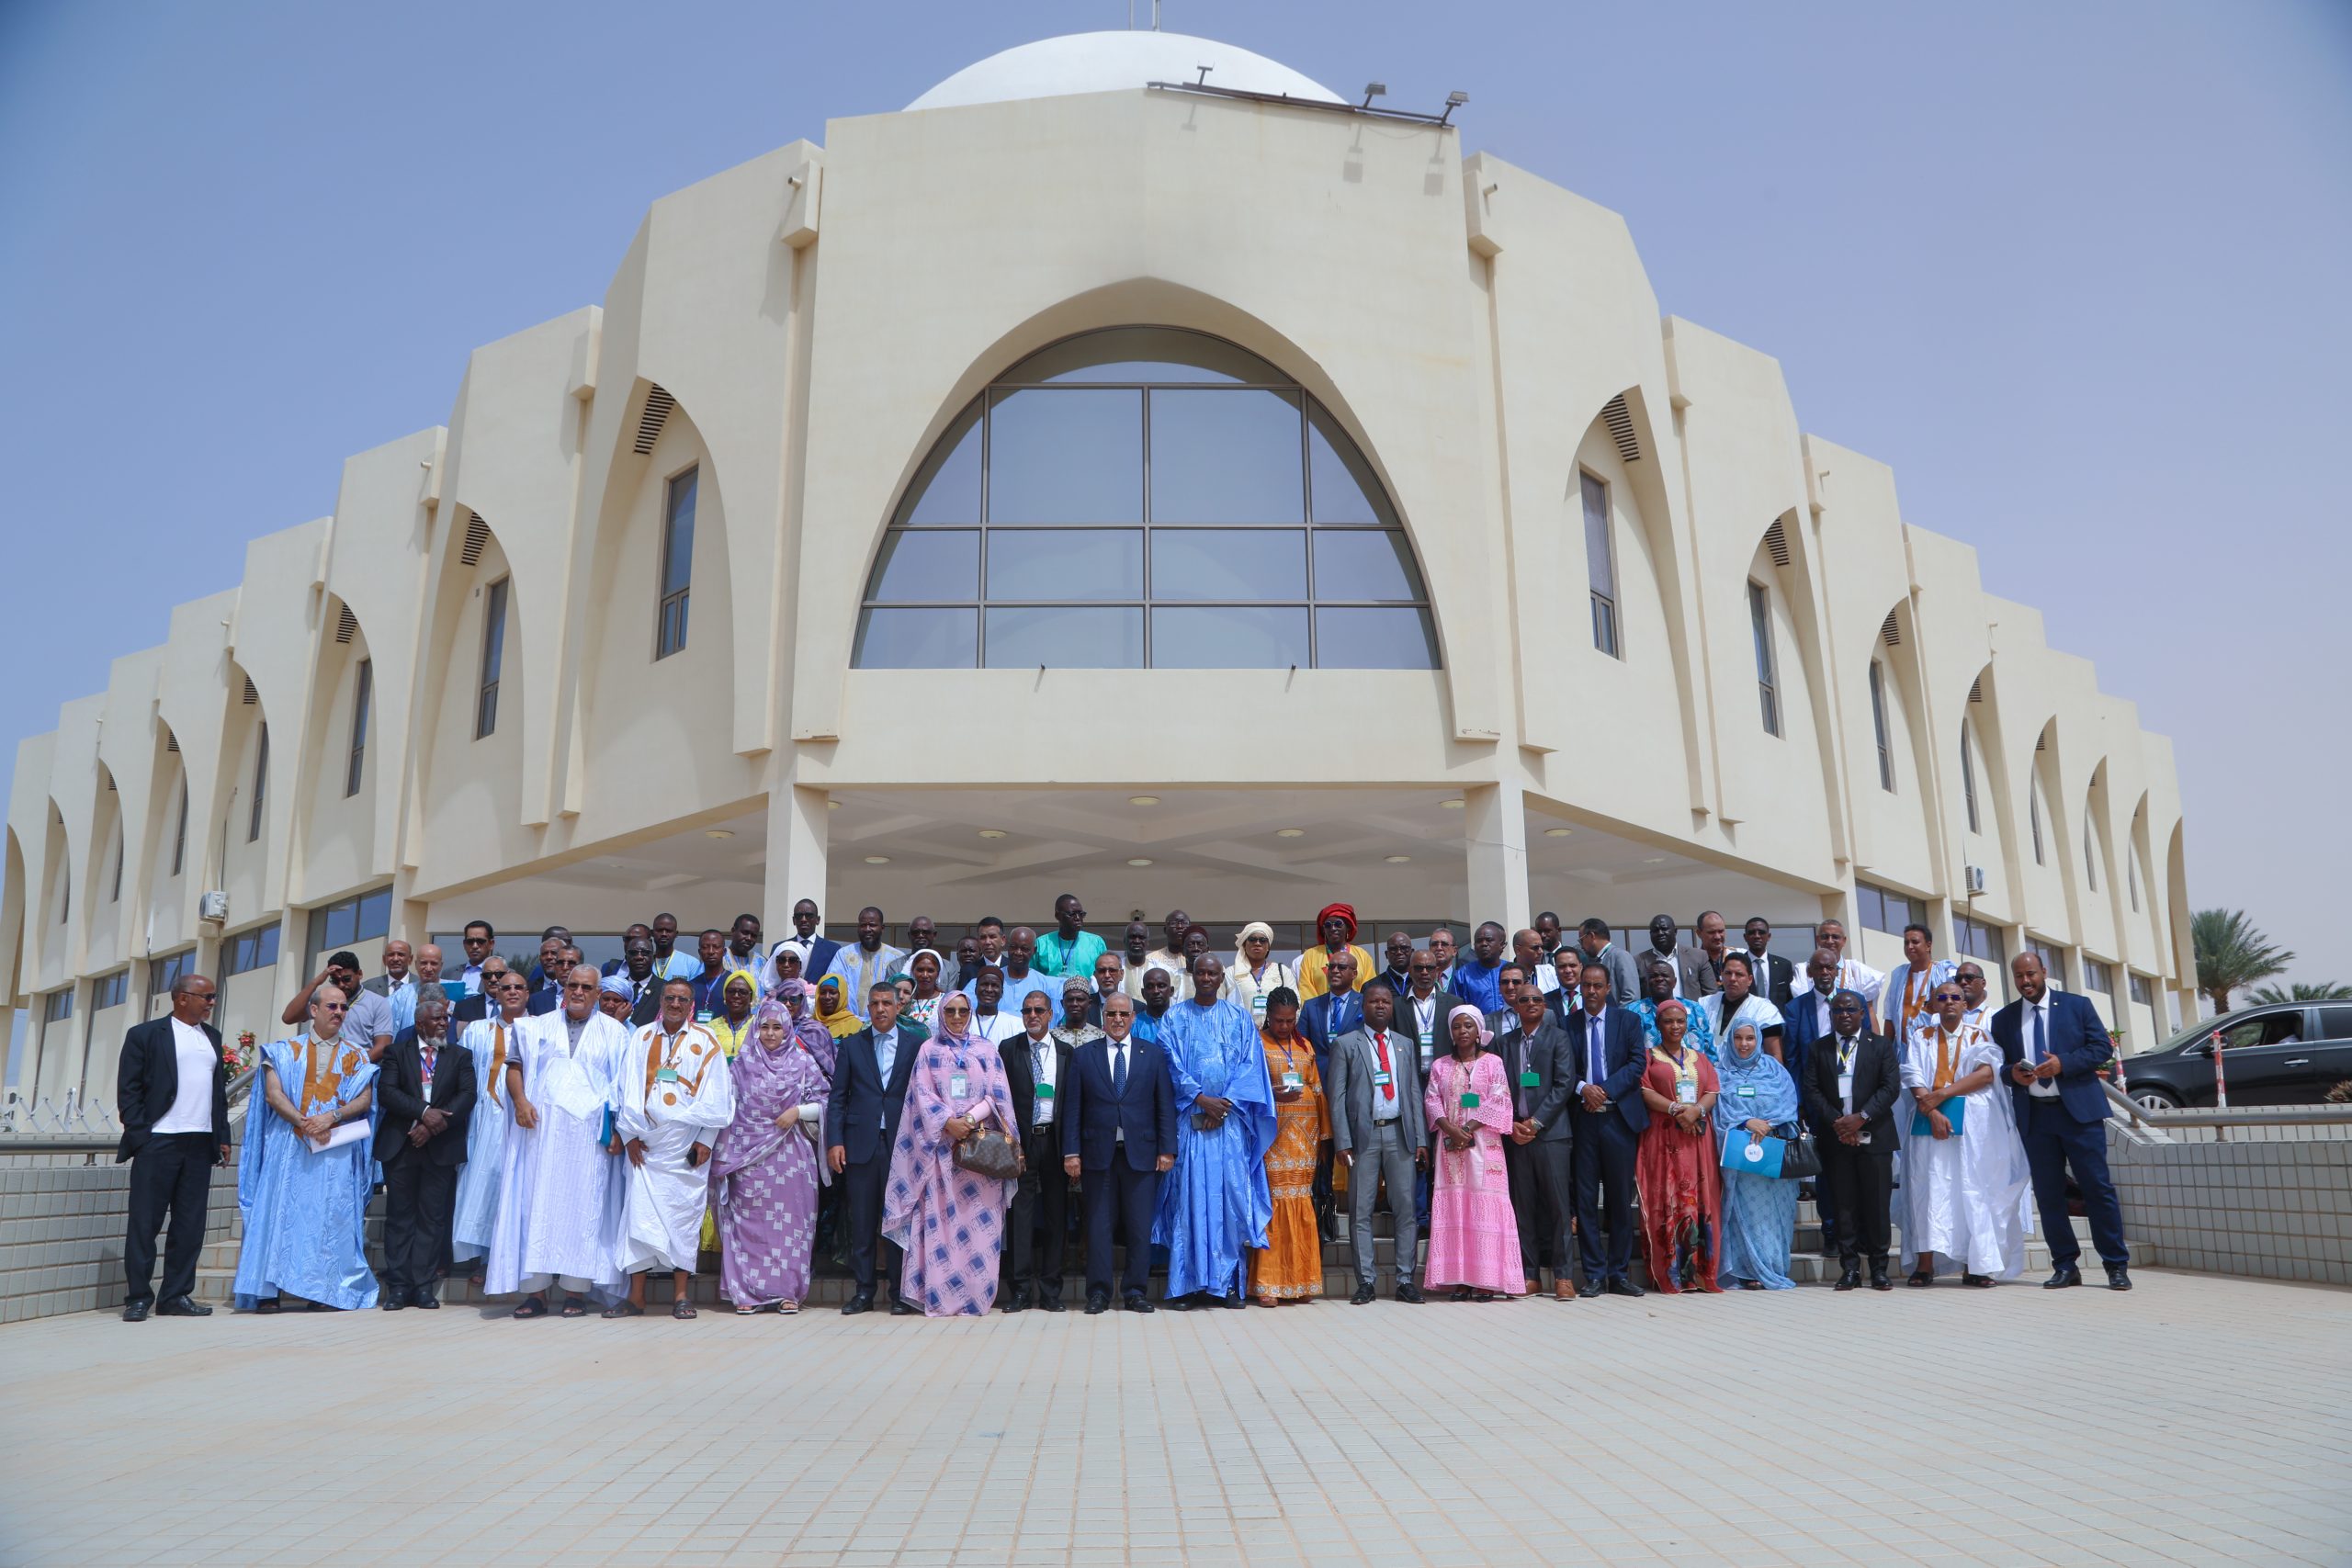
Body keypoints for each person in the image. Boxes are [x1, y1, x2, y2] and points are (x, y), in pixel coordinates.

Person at [486, 969, 630, 1319]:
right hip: (541, 1133)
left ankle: (575, 1293)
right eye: (572, 986)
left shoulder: (615, 1032)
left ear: (598, 993)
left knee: (584, 1207)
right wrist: (520, 1102)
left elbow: (621, 1088)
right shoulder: (535, 1025)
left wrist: (616, 1132)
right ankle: (534, 1293)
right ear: (563, 989)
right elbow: (514, 1067)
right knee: (536, 1204)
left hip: (589, 1138)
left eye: (586, 987)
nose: (578, 992)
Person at [233, 985, 379, 1312]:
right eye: (332, 1006)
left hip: (335, 1148)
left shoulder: (357, 1055)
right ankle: (268, 1291)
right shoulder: (283, 1050)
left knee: (330, 1217)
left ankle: (324, 1289)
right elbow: (274, 1094)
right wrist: (303, 1122)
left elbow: (366, 1098)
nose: (339, 1013)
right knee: (278, 1212)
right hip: (289, 1146)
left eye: (343, 1008)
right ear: (313, 1010)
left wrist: (331, 1117)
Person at [1991, 953, 2130, 1290]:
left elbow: (2101, 1048)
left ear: (2045, 973)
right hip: (2036, 1117)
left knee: (2097, 1189)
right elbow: (2000, 1066)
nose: (2026, 981)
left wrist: (2063, 1064)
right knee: (2050, 1194)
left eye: (2031, 974)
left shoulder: (2076, 1006)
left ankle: (2115, 1265)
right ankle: (2065, 1265)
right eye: (2020, 976)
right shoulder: (2004, 1019)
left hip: (2079, 1115)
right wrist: (2014, 1075)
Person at [881, 991, 1019, 1316]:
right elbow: (921, 1094)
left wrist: (969, 1120)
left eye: (963, 1011)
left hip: (980, 1156)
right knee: (940, 1226)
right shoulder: (929, 1050)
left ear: (970, 1013)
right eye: (951, 1011)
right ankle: (939, 1296)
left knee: (978, 1227)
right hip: (939, 1154)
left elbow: (998, 1095)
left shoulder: (987, 1050)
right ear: (942, 1014)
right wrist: (948, 1122)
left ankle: (975, 1296)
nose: (957, 1016)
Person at [1155, 955, 1278, 1308]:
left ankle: (1228, 1285)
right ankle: (1187, 1285)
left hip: (1229, 1127)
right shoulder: (1174, 1018)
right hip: (1190, 1125)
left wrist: (1222, 1105)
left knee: (1230, 1202)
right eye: (1200, 972)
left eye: (1212, 972)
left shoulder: (1239, 1018)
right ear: (1192, 977)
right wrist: (1200, 1098)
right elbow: (1170, 1065)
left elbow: (1250, 1067)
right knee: (1189, 1201)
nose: (1206, 977)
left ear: (1221, 977)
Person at [612, 980, 734, 1319]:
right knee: (638, 1219)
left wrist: (705, 1141)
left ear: (691, 1004)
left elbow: (718, 1096)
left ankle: (681, 1296)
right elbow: (626, 1088)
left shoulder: (705, 1040)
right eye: (670, 998)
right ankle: (636, 1298)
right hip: (645, 1148)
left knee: (683, 1220)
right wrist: (630, 1135)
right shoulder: (641, 1037)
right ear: (660, 1002)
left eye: (682, 999)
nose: (675, 1004)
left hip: (685, 1149)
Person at [1900, 981, 2030, 1286]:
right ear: (1933, 1004)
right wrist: (1932, 1110)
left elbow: (1986, 1074)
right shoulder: (1921, 1036)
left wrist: (1940, 1096)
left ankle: (1976, 1265)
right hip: (1927, 1123)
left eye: (1955, 997)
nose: (1949, 1002)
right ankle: (1924, 1265)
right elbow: (1912, 1074)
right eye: (1941, 998)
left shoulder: (1978, 1035)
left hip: (1972, 1127)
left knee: (1972, 1190)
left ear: (1964, 1004)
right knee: (1927, 1190)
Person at [712, 989, 833, 1315]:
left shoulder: (802, 1060)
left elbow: (824, 1100)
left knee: (791, 1227)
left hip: (791, 1158)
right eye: (764, 1027)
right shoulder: (741, 1064)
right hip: (746, 1158)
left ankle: (787, 1293)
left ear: (787, 1029)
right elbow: (726, 1107)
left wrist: (798, 1112)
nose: (770, 1034)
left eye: (777, 1027)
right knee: (747, 1226)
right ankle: (747, 1294)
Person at [115, 972, 228, 1322]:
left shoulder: (211, 1036)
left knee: (190, 1225)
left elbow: (218, 1095)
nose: (211, 1003)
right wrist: (141, 1134)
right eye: (205, 997)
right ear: (182, 998)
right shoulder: (145, 1035)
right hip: (159, 1140)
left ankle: (175, 1295)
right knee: (145, 1223)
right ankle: (138, 1298)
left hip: (199, 1142)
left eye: (212, 997)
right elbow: (128, 1090)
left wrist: (221, 1136)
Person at [1061, 993, 1176, 1313]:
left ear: (1133, 1018)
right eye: (1111, 1013)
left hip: (1142, 1155)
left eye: (1123, 1014)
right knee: (1098, 1226)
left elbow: (1164, 1105)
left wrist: (1168, 1149)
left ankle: (1135, 1291)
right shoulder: (1084, 1055)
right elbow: (1073, 1109)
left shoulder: (1151, 1055)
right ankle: (1098, 1293)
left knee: (1139, 1226)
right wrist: (1072, 1152)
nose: (1117, 1019)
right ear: (1103, 1016)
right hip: (1098, 1155)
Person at [825, 981, 924, 1314]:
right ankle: (864, 1292)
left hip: (902, 1144)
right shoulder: (853, 1045)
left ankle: (899, 1293)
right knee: (863, 1222)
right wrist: (835, 1142)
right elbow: (838, 1098)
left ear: (899, 1007)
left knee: (897, 1220)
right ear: (867, 1009)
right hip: (860, 1144)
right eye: (874, 1004)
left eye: (886, 1003)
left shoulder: (916, 1045)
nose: (880, 1009)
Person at [1328, 980, 1428, 1303]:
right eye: (1373, 1001)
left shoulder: (1404, 1044)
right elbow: (1337, 1096)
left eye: (1385, 1001)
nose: (1380, 1006)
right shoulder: (1346, 1044)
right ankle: (1366, 1281)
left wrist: (1421, 1139)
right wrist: (1342, 1141)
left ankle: (1404, 1281)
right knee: (1360, 1211)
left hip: (1400, 1134)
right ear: (1363, 1006)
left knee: (1406, 1210)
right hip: (1363, 1138)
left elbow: (1413, 1092)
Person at [374, 992, 474, 1310]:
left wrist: (431, 1125)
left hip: (440, 1146)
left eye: (446, 1018)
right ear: (420, 1024)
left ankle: (423, 1286)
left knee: (433, 1218)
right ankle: (399, 1287)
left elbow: (467, 1096)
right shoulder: (396, 1053)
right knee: (400, 1217)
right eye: (437, 1018)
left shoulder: (460, 1055)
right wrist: (422, 1112)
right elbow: (387, 1092)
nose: (445, 1023)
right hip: (401, 1144)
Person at [1799, 988, 1900, 1292]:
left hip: (1876, 1137)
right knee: (1844, 1206)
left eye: (1850, 1009)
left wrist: (1861, 1117)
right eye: (1838, 1011)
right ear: (1831, 1016)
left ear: (1861, 1014)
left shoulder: (1880, 1046)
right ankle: (1851, 1269)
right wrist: (1839, 1123)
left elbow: (1890, 1088)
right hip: (1836, 1139)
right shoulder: (1819, 1048)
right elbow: (1812, 1089)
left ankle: (1880, 1268)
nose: (1844, 1015)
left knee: (1878, 1205)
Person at [1423, 1005, 1524, 1300]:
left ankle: (1486, 1281)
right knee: (1456, 1208)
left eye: (1468, 1026)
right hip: (1450, 1148)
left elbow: (1500, 1100)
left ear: (1479, 1031)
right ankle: (1461, 1279)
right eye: (1457, 1026)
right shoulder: (1441, 1065)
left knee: (1486, 1211)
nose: (1463, 1031)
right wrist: (1451, 1130)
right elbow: (1432, 1100)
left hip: (1484, 1146)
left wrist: (1465, 1128)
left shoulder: (1493, 1062)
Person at [1565, 961, 1647, 1295]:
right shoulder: (1567, 1024)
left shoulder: (1628, 1021)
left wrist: (1605, 1090)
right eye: (1586, 986)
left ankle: (1620, 1273)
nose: (1592, 992)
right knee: (1585, 1200)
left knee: (1618, 1198)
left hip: (1618, 1119)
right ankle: (1595, 1274)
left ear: (1608, 988)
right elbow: (1562, 1068)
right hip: (1583, 1119)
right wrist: (1585, 1088)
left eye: (1598, 986)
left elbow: (1637, 1062)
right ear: (1580, 988)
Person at [1493, 984, 1577, 1298]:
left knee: (1557, 1207)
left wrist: (1536, 1122)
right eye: (1523, 999)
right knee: (1523, 1207)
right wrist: (1512, 1124)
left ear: (1545, 1005)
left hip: (1552, 1135)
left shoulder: (1559, 1038)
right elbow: (1498, 1087)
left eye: (1536, 999)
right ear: (1515, 1005)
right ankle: (1529, 1275)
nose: (1529, 1003)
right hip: (1517, 1137)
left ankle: (1564, 1276)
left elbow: (1564, 1084)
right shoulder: (1505, 1043)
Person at [1635, 1000, 1723, 1294]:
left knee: (1700, 1199)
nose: (1675, 1027)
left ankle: (1700, 1272)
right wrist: (1675, 1109)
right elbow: (1645, 1090)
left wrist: (1696, 1111)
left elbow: (1712, 1090)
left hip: (1696, 1138)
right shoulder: (1650, 1058)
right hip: (1663, 1140)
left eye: (1680, 1022)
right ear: (1658, 1025)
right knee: (1667, 1198)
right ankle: (1671, 1272)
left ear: (1687, 1025)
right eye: (1668, 1022)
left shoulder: (1700, 1058)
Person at [1249, 987, 1327, 1305]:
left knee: (1301, 1201)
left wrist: (1325, 1137)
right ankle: (1270, 1284)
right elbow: (1249, 1089)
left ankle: (1301, 1281)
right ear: (1268, 1015)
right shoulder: (1257, 1043)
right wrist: (1275, 1097)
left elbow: (1317, 1090)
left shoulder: (1305, 1044)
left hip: (1306, 1136)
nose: (1284, 1026)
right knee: (1276, 1203)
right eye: (1279, 1020)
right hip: (1274, 1134)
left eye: (1290, 1020)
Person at [451, 970, 530, 1280]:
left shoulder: (540, 1029)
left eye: (518, 987)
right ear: (495, 992)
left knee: (518, 1186)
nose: (511, 991)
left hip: (523, 1118)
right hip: (483, 1118)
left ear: (527, 993)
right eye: (505, 987)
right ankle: (486, 1259)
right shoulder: (475, 1030)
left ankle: (518, 1259)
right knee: (483, 1186)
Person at [1713, 1021, 1801, 1291]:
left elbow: (1789, 1104)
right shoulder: (1721, 1072)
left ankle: (1772, 1267)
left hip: (1771, 1153)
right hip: (1740, 1161)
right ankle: (1745, 1271)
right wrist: (1746, 1121)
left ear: (1759, 1040)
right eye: (1738, 1038)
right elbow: (1718, 1110)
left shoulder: (1774, 1069)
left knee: (1773, 1216)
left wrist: (1770, 1123)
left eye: (1750, 1038)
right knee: (1743, 1217)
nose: (1743, 1044)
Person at [1001, 990, 1075, 1312]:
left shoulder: (1067, 1052)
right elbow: (1000, 1099)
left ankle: (1051, 1290)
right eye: (1027, 1010)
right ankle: (1019, 1289)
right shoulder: (1009, 1049)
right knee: (1020, 1215)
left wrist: (1072, 1150)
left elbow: (1073, 1105)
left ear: (1050, 1014)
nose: (1032, 1015)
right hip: (1021, 1143)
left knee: (1056, 1216)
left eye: (1039, 1010)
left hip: (1055, 1142)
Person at [1295, 949, 1361, 1241]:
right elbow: (1301, 1049)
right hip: (1318, 1091)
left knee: (1353, 1152)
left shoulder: (1364, 1004)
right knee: (1321, 1153)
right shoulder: (1311, 1007)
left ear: (1354, 974)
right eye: (1331, 966)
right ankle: (1323, 1211)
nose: (1335, 971)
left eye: (1341, 967)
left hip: (1354, 1090)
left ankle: (1359, 1215)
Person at [283, 950, 396, 1059]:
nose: (341, 985)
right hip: (323, 1068)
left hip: (359, 1070)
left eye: (346, 979)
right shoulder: (324, 999)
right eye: (335, 981)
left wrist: (354, 1068)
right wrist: (316, 982)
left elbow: (383, 1046)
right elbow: (288, 1017)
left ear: (360, 974)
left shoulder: (377, 1003)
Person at [1696, 952, 1784, 1064]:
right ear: (1721, 975)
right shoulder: (1704, 1004)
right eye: (1728, 973)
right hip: (1707, 1076)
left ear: (1750, 979)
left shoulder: (1764, 1010)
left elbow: (1775, 1056)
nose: (1732, 978)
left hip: (1748, 1078)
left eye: (1739, 974)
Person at [826, 907, 907, 1022]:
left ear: (882, 928)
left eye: (872, 925)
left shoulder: (896, 957)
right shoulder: (844, 954)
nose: (867, 929)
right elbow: (833, 986)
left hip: (886, 1024)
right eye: (863, 925)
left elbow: (904, 994)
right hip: (848, 1023)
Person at [1880, 923, 1956, 1043]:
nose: (1910, 946)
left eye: (1915, 942)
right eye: (1906, 943)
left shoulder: (1943, 973)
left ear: (1928, 945)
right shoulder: (1898, 976)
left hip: (1935, 1047)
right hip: (1904, 1052)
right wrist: (1886, 1052)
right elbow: (1889, 1017)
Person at [1631, 954, 1716, 1061]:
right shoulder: (1633, 1011)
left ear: (1674, 982)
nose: (1659, 979)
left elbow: (1709, 1049)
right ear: (1647, 982)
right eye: (1654, 976)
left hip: (1696, 1072)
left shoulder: (1695, 1009)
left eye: (1664, 975)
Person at [1397, 948, 1465, 1079]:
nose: (1424, 972)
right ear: (1410, 971)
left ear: (1437, 971)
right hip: (1409, 1078)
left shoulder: (1454, 1004)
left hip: (1446, 1076)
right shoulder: (1397, 1006)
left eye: (1429, 968)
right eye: (1419, 968)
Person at [1227, 921, 1301, 1029]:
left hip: (1276, 1037)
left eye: (1262, 940)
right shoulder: (1231, 972)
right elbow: (1228, 1006)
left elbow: (1296, 1005)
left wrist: (1283, 1028)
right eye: (1252, 939)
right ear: (1244, 944)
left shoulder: (1282, 971)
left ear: (1268, 947)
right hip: (1242, 1035)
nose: (1257, 943)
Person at [971, 925, 1056, 1019]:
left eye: (1024, 949)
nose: (1018, 952)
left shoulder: (1045, 984)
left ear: (1034, 951)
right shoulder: (987, 982)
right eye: (1013, 947)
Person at [1297, 904, 1374, 1002]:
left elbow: (1370, 990)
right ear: (1324, 930)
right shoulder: (1310, 955)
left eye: (1338, 924)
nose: (1333, 928)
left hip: (1356, 1014)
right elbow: (1306, 990)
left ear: (1348, 928)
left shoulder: (1363, 956)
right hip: (1321, 1014)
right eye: (1328, 925)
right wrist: (1318, 1014)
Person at [1035, 892, 1107, 980]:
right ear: (1057, 916)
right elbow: (1033, 978)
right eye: (1072, 914)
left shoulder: (1096, 942)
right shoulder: (1041, 944)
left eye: (1081, 914)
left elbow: (1106, 974)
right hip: (1051, 994)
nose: (1078, 918)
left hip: (1088, 993)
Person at [1815, 919, 1885, 1009]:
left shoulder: (1859, 972)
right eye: (1825, 937)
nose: (1830, 941)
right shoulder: (1804, 972)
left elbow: (1869, 1012)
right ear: (1818, 939)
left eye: (1835, 937)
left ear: (1844, 940)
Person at [775, 898, 842, 986]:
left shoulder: (833, 950)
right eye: (799, 916)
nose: (803, 919)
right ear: (794, 920)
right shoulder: (780, 948)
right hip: (785, 998)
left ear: (818, 920)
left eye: (809, 916)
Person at [1577, 918, 1640, 1004]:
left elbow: (1632, 998)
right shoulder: (1593, 961)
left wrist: (1614, 1016)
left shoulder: (1620, 956)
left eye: (1581, 940)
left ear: (1592, 936)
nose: (1581, 946)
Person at [1741, 917, 1798, 1010]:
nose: (1757, 936)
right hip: (1745, 1022)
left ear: (1769, 936)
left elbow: (1790, 1000)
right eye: (1752, 933)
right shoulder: (1737, 965)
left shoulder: (1784, 966)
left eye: (1761, 932)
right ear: (1745, 937)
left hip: (1777, 1022)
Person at [1451, 922, 1508, 1013]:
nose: (1484, 944)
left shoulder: (1512, 971)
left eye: (1489, 940)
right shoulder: (1463, 974)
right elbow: (1457, 1010)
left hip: (1511, 1026)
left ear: (1501, 944)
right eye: (1479, 941)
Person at [526, 945, 583, 1018]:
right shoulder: (536, 1000)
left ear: (581, 967)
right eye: (560, 963)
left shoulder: (590, 998)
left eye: (571, 963)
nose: (565, 967)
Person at [1685, 911, 1732, 998]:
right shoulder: (1690, 961)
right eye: (1711, 932)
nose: (1717, 936)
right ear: (1699, 933)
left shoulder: (1738, 956)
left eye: (1721, 931)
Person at [901, 949, 948, 1034]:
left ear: (937, 974)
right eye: (920, 970)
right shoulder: (904, 1000)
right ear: (913, 971)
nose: (925, 975)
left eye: (930, 970)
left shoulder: (946, 1001)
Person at [1142, 910, 1193, 986]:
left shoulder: (1202, 958)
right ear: (1165, 930)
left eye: (1184, 923)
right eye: (1174, 923)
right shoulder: (1151, 959)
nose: (1179, 927)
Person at [1510, 928, 1560, 998]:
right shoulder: (1505, 976)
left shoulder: (1550, 972)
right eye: (1535, 948)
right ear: (1518, 950)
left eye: (1541, 947)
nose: (1541, 952)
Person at [1134, 966, 1177, 1045]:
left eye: (1161, 986)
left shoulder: (1183, 1022)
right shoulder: (1133, 1024)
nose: (1156, 991)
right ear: (1143, 993)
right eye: (1150, 987)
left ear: (1171, 991)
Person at [814, 974, 862, 1043]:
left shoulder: (855, 1026)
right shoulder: (808, 1024)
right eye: (823, 992)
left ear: (842, 995)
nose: (827, 997)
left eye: (832, 992)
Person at [457, 919, 498, 996]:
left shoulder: (504, 975)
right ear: (464, 944)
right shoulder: (449, 974)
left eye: (480, 941)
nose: (475, 946)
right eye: (470, 941)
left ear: (491, 944)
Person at [1115, 920, 1155, 998]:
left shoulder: (1158, 968)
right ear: (1124, 941)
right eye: (1132, 937)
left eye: (1141, 937)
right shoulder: (1115, 968)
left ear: (1147, 942)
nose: (1137, 941)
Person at [1376, 931, 1416, 998]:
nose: (1399, 952)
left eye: (1404, 948)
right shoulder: (1372, 986)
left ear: (1412, 953)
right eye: (1393, 949)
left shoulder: (1421, 982)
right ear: (1386, 954)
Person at [1427, 926, 1461, 991]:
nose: (1439, 948)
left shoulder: (1462, 979)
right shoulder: (1421, 979)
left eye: (1444, 944)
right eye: (1434, 944)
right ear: (1429, 949)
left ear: (1454, 951)